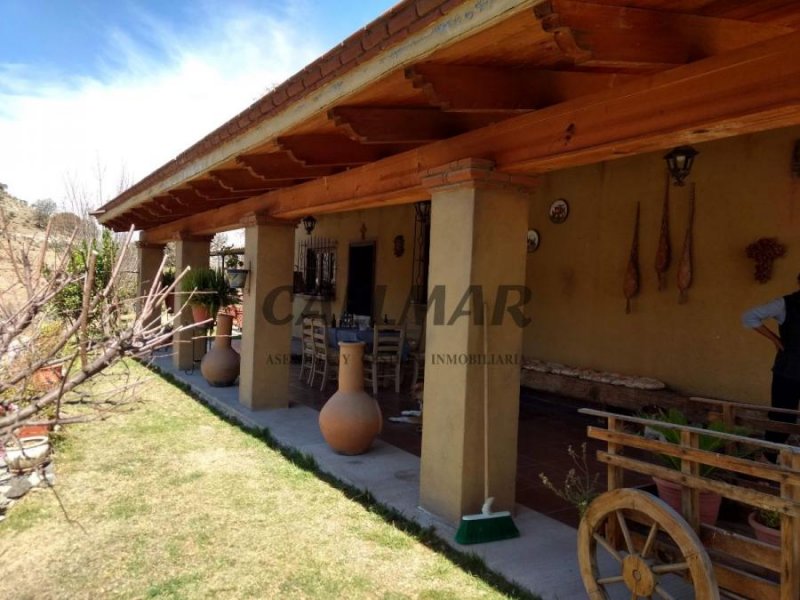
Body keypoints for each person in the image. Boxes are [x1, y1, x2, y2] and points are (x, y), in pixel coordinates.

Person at [742, 273, 800, 451]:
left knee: (782, 416)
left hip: (788, 368)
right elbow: (749, 317)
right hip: (789, 369)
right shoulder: (785, 304)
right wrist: (775, 339)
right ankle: (769, 458)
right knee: (782, 417)